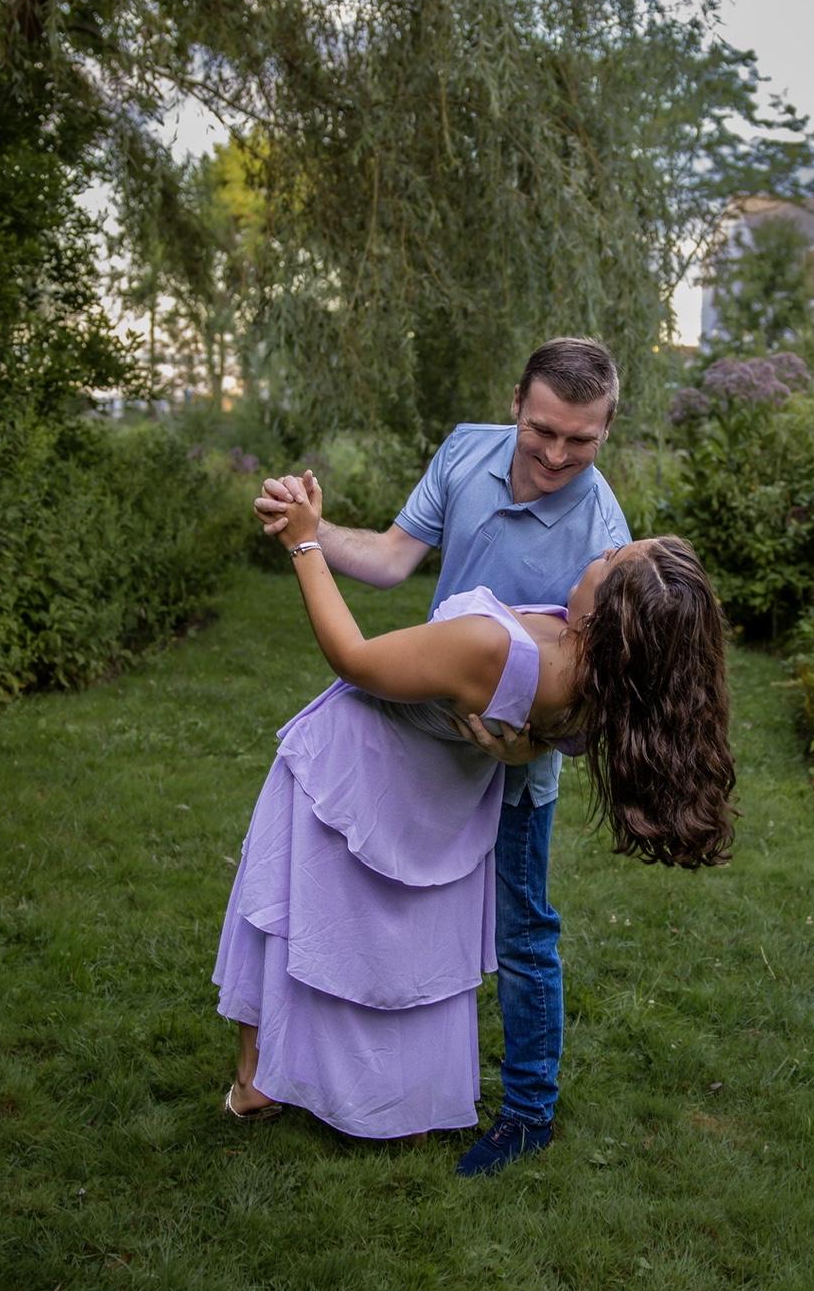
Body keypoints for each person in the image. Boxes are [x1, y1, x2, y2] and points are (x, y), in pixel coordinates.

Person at [214, 469, 734, 1161]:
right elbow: (557, 735)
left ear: (604, 615)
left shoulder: (494, 651)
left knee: (295, 916)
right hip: (437, 803)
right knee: (393, 952)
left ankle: (257, 1082)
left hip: (354, 776)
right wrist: (526, 749)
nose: (600, 552)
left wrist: (305, 544)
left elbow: (355, 659)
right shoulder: (605, 684)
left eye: (610, 559)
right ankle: (396, 1102)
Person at [244, 337, 659, 1173]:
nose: (556, 455)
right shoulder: (467, 451)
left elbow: (603, 694)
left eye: (581, 440)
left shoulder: (605, 538)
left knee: (522, 931)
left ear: (608, 429)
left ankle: (528, 1111)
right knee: (408, 915)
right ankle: (374, 1079)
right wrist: (312, 532)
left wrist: (531, 743)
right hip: (422, 739)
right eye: (543, 430)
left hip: (515, 771)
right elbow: (393, 558)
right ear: (517, 405)